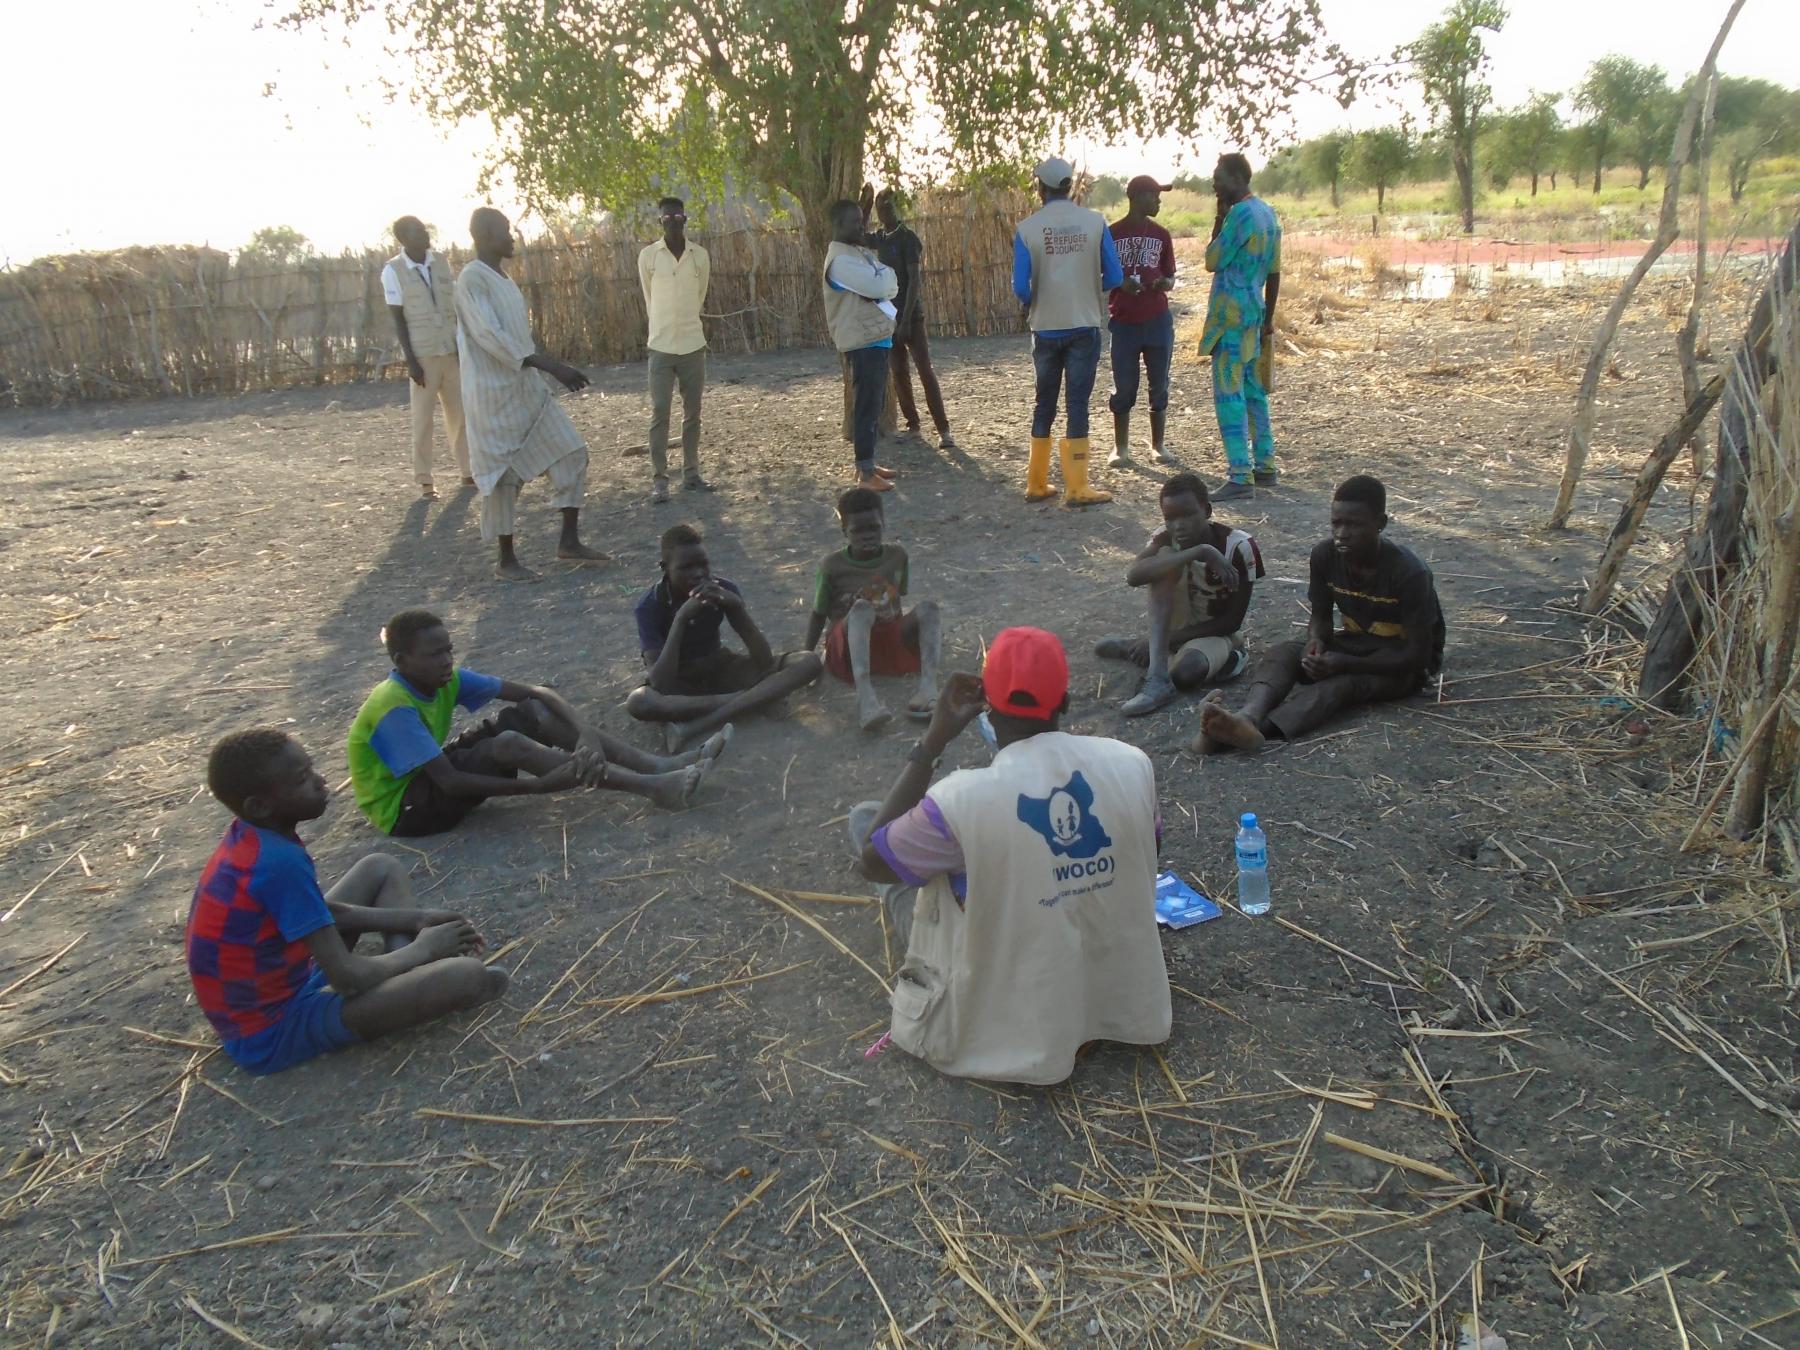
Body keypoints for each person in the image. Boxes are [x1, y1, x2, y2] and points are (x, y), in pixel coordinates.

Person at [854, 628, 1170, 1085]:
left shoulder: (960, 800)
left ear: (987, 705)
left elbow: (870, 861)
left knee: (868, 823)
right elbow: (1146, 854)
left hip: (1017, 1020)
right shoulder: (1132, 763)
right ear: (1063, 700)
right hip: (1125, 1001)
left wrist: (932, 743)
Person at [187, 728, 507, 1075]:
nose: (321, 780)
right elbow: (348, 978)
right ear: (260, 805)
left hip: (287, 977)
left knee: (380, 868)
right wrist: (425, 948)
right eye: (302, 779)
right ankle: (404, 972)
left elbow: (318, 913)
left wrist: (416, 919)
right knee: (468, 976)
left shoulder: (253, 837)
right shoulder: (277, 863)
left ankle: (395, 972)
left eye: (311, 769)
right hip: (273, 1030)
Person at [349, 609, 726, 836]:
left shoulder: (444, 677)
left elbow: (541, 692)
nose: (447, 659)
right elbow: (450, 780)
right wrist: (541, 787)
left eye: (449, 649)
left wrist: (587, 738)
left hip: (429, 778)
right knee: (509, 741)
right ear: (401, 661)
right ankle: (652, 786)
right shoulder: (393, 707)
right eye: (435, 654)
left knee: (534, 712)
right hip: (406, 811)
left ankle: (658, 766)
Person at [1194, 475, 1444, 752]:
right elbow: (1321, 616)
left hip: (1400, 663)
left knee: (1342, 685)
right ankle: (1247, 716)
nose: (1342, 533)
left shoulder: (1409, 573)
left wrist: (1345, 663)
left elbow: (1417, 656)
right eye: (1336, 523)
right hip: (1357, 644)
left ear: (1380, 524)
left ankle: (1248, 734)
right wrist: (1316, 642)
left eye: (1354, 524)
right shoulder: (1325, 556)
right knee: (1285, 653)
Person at [454, 206, 609, 581]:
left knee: (572, 452)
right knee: (502, 478)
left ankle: (568, 542)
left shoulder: (503, 279)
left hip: (525, 389)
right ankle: (506, 560)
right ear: (485, 235)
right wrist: (551, 365)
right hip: (492, 397)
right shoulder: (471, 280)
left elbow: (514, 336)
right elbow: (490, 336)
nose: (511, 238)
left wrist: (541, 368)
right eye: (505, 232)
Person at [626, 524, 825, 751]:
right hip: (682, 682)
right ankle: (753, 700)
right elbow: (660, 682)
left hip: (720, 668)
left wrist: (737, 608)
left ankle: (701, 723)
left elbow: (764, 662)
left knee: (809, 661)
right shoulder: (650, 605)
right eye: (686, 567)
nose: (698, 573)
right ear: (664, 568)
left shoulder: (723, 590)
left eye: (703, 564)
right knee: (638, 701)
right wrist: (680, 619)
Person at [1095, 472, 1263, 716]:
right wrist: (1200, 552)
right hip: (1175, 625)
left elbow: (1231, 622)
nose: (1178, 525)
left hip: (1215, 633)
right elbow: (1134, 576)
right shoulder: (1165, 537)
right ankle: (1157, 677)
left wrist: (1165, 639)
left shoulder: (1238, 547)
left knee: (1186, 675)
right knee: (1163, 558)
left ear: (1207, 511)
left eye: (1188, 515)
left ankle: (1166, 651)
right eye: (1170, 518)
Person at [1012, 156, 1123, 507]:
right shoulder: (1094, 223)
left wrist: (1038, 297)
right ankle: (1077, 487)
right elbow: (1116, 277)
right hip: (1083, 321)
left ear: (1039, 187)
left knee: (1043, 401)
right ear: (1070, 186)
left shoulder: (1027, 228)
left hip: (1045, 326)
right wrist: (1086, 286)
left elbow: (1021, 287)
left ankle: (1036, 483)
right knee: (1077, 403)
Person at [804, 486, 941, 732]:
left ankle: (929, 689)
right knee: (862, 609)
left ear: (884, 525)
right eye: (858, 530)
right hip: (848, 645)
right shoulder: (831, 566)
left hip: (888, 641)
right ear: (844, 531)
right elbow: (818, 613)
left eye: (874, 528)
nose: (867, 536)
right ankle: (866, 698)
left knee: (929, 609)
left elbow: (899, 598)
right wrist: (806, 656)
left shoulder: (897, 556)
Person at [1201, 154, 1282, 501]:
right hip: (1254, 313)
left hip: (1230, 316)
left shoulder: (1239, 215)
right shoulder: (1268, 214)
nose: (1215, 184)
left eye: (1219, 177)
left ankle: (1239, 473)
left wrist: (1219, 220)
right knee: (1254, 391)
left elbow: (1212, 260)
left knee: (1229, 394)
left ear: (1237, 177)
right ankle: (1265, 465)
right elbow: (1275, 272)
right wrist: (1269, 319)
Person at [858, 185, 957, 450]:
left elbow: (914, 280)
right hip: (888, 312)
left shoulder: (907, 239)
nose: (885, 211)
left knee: (925, 370)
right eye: (881, 207)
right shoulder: (881, 238)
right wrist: (865, 206)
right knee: (899, 371)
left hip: (911, 316)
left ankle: (944, 429)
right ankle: (913, 424)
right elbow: (858, 236)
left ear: (898, 208)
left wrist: (904, 321)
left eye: (889, 206)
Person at [381, 216, 471, 498]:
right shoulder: (393, 271)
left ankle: (468, 472)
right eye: (418, 231)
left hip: (449, 350)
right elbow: (398, 319)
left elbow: (455, 305)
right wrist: (411, 362)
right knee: (422, 420)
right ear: (404, 239)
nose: (425, 234)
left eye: (424, 229)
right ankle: (425, 481)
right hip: (422, 356)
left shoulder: (440, 262)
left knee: (461, 415)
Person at [822, 199, 902, 494]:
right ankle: (865, 471)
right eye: (855, 222)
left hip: (874, 336)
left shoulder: (856, 253)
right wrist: (880, 282)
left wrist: (881, 282)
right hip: (862, 339)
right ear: (838, 225)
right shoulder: (841, 262)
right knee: (866, 405)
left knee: (873, 404)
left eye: (861, 220)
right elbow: (882, 286)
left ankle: (866, 465)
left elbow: (890, 281)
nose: (862, 226)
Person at [637, 196, 712, 504]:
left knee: (693, 413)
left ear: (685, 219)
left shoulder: (699, 256)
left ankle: (691, 473)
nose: (673, 222)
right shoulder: (649, 257)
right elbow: (648, 297)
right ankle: (659, 479)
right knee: (659, 412)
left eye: (678, 216)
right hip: (661, 346)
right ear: (660, 222)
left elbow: (700, 295)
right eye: (666, 218)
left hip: (693, 344)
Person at [1106, 177, 1178, 468]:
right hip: (1123, 321)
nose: (1158, 201)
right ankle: (1120, 447)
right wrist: (1121, 284)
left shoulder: (1161, 235)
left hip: (1157, 319)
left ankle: (1158, 445)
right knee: (1124, 385)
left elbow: (1171, 275)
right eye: (1154, 195)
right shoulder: (1111, 234)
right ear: (1136, 197)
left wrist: (1165, 283)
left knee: (1159, 383)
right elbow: (1101, 275)